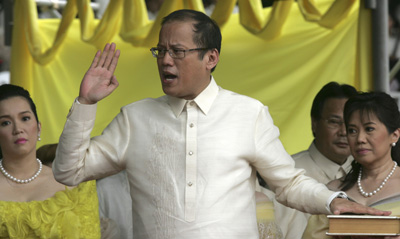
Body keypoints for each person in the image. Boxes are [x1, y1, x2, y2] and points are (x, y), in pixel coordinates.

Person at [52, 9, 389, 239]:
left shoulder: (248, 113)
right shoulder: (134, 118)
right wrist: (85, 104)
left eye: (178, 51)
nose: (166, 60)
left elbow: (287, 184)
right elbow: (68, 172)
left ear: (210, 57)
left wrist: (333, 202)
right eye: (161, 51)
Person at [0, 84, 101, 238]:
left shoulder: (73, 184)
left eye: (25, 118)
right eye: (5, 122)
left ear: (39, 128)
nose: (18, 128)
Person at [303, 91, 400, 239]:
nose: (360, 139)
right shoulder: (333, 191)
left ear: (395, 134)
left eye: (369, 129)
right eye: (352, 131)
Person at [271, 82, 358, 238]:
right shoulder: (287, 173)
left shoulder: (367, 174)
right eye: (334, 122)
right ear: (314, 123)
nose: (344, 131)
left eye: (351, 124)